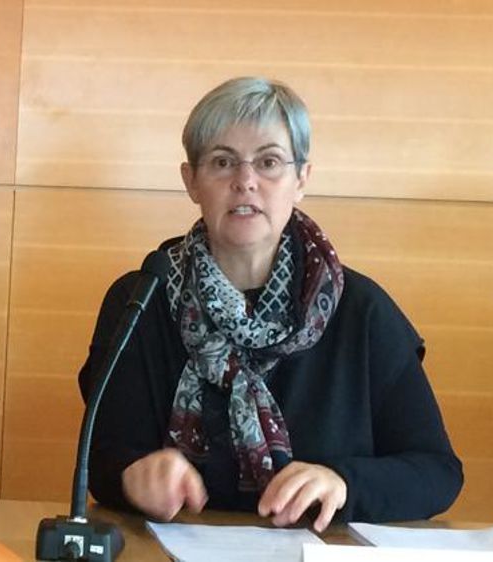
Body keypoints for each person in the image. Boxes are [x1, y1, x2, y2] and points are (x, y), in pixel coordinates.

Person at [79, 77, 462, 531]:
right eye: (223, 162)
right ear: (192, 181)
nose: (245, 182)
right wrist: (132, 477)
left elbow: (437, 473)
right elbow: (102, 459)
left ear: (301, 179)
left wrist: (344, 482)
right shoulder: (140, 300)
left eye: (269, 162)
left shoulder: (362, 310)